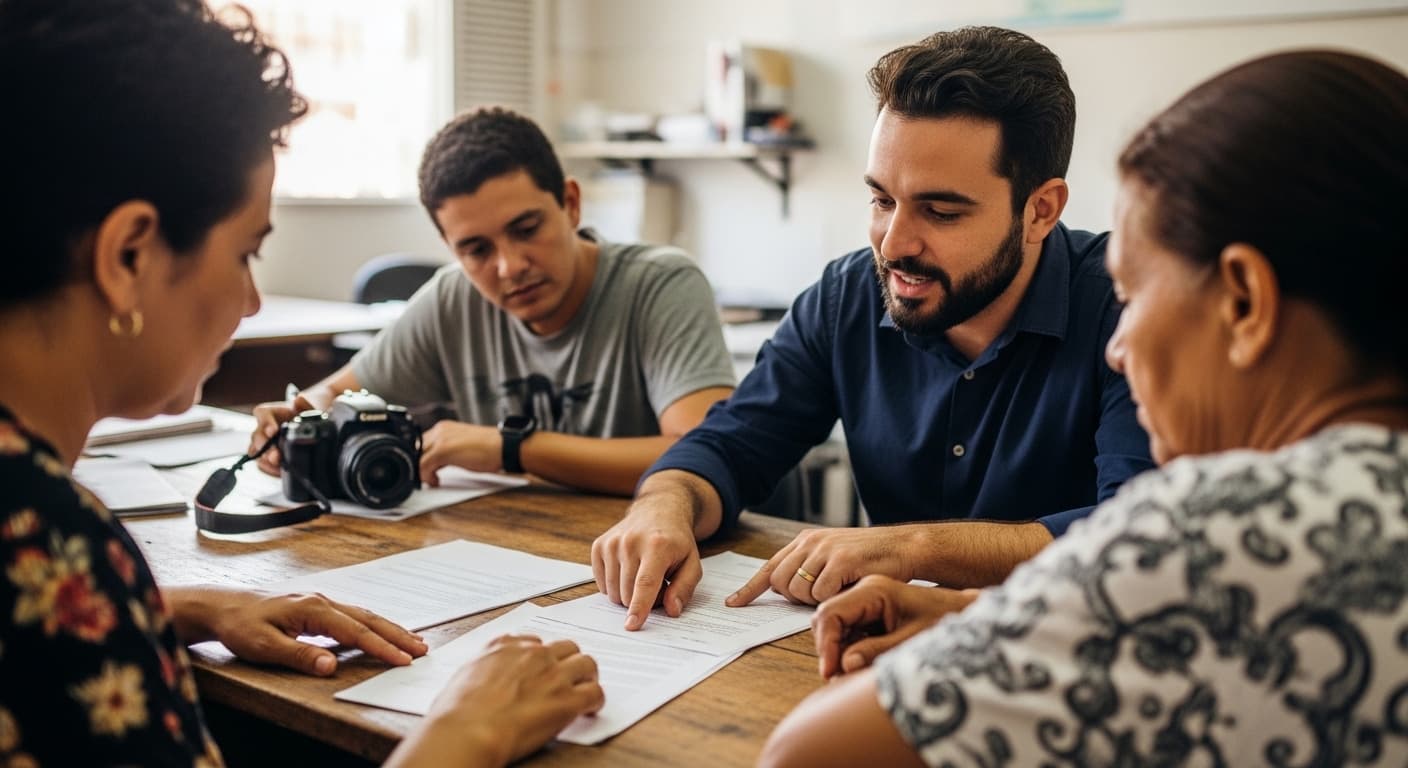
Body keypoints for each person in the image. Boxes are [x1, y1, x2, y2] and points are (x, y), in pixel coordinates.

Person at [760, 49, 1408, 767]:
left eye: (1133, 296)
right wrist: (970, 611)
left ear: (1245, 303)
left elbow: (809, 753)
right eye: (881, 199)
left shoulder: (1217, 530)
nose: (1120, 346)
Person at [0, 1, 601, 765]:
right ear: (128, 259)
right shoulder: (45, 534)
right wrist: (464, 738)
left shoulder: (50, 554)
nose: (251, 302)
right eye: (248, 250)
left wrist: (170, 608)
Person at [592, 26, 1153, 630]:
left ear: (1040, 210)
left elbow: (1140, 535)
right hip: (873, 654)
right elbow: (728, 445)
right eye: (882, 200)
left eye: (940, 212)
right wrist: (664, 505)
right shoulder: (847, 296)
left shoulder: (1133, 307)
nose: (893, 243)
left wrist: (909, 548)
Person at [248, 108, 736, 496]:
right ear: (451, 249)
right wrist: (299, 415)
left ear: (570, 204)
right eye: (476, 250)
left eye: (527, 230)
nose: (509, 266)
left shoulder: (661, 284)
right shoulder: (452, 297)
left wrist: (511, 448)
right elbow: (334, 394)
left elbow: (705, 453)